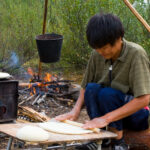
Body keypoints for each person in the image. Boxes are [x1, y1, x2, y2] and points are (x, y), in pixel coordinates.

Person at [55, 13, 150, 150]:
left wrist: (105, 119)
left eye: (104, 48)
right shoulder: (97, 54)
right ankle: (99, 138)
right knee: (92, 88)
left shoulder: (136, 54)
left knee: (107, 94)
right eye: (97, 48)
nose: (100, 52)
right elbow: (85, 86)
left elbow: (144, 99)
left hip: (136, 116)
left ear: (119, 38)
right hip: (110, 114)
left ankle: (119, 142)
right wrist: (75, 112)